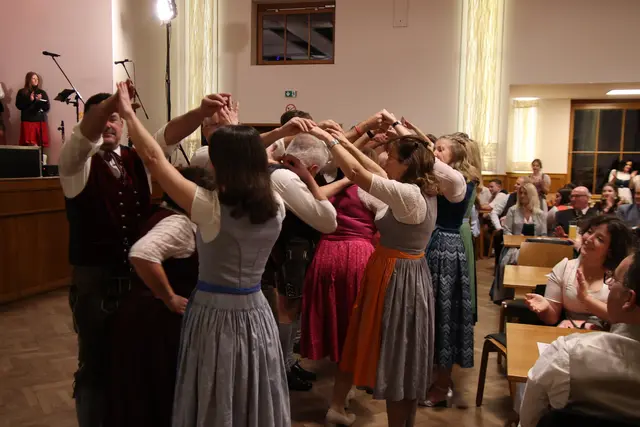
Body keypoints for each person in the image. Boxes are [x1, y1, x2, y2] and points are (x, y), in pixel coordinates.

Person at [117, 82, 290, 426]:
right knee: (252, 387)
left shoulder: (210, 208)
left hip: (215, 315)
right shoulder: (276, 204)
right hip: (256, 310)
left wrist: (127, 115)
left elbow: (153, 159)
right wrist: (234, 127)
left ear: (217, 163)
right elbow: (247, 157)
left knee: (217, 391)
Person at [58, 84, 215, 427]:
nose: (108, 124)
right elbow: (83, 139)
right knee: (94, 366)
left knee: (129, 361)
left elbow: (168, 135)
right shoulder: (75, 164)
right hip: (95, 283)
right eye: (101, 118)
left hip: (136, 285)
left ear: (124, 124)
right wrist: (109, 106)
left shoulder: (135, 159)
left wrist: (201, 113)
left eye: (115, 118)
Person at [311, 121, 465, 427]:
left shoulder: (408, 195)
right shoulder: (414, 189)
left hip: (399, 277)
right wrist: (346, 141)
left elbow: (357, 173)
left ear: (406, 164)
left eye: (391, 157)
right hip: (397, 271)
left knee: (399, 355)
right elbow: (372, 168)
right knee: (399, 352)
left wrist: (327, 139)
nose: (386, 160)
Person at [106, 167, 210, 427]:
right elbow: (142, 254)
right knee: (156, 391)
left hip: (147, 317)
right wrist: (169, 297)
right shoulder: (178, 223)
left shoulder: (168, 215)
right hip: (156, 321)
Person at [519, 248, 640, 427]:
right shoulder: (566, 268)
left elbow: (529, 420)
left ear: (629, 299)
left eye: (614, 280)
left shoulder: (569, 354)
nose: (608, 285)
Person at [264, 132, 338, 391]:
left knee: (292, 308)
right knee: (288, 309)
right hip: (290, 248)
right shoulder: (286, 178)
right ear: (313, 168)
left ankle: (287, 361)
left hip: (293, 248)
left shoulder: (281, 171)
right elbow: (327, 220)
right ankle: (282, 368)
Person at [300, 151, 383, 364]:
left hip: (326, 252)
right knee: (353, 309)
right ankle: (351, 358)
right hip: (357, 254)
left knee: (330, 306)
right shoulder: (371, 191)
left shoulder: (330, 187)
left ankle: (334, 353)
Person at [424, 133, 479, 407]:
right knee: (433, 315)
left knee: (445, 316)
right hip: (435, 245)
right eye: (435, 148)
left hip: (446, 249)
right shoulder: (444, 177)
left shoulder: (461, 181)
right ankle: (434, 377)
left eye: (441, 149)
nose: (435, 152)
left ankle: (441, 384)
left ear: (455, 156)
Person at [525, 215, 634, 328]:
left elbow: (620, 318)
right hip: (569, 333)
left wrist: (586, 299)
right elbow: (552, 319)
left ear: (611, 250)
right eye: (589, 232)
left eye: (600, 239)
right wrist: (545, 308)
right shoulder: (564, 267)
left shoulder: (620, 275)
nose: (589, 238)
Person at [490, 182, 547, 303]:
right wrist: (516, 239)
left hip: (534, 247)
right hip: (514, 246)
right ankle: (510, 294)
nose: (521, 196)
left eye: (525, 193)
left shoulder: (540, 214)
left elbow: (543, 234)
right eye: (520, 193)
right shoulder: (513, 210)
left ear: (531, 195)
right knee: (514, 259)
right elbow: (507, 231)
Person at [15, 72, 50, 148]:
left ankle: (39, 156)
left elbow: (46, 108)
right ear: (29, 80)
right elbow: (19, 106)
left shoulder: (42, 92)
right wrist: (30, 100)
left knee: (41, 146)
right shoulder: (22, 92)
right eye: (34, 78)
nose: (36, 80)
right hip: (28, 121)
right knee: (31, 145)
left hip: (39, 121)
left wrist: (39, 101)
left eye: (37, 79)